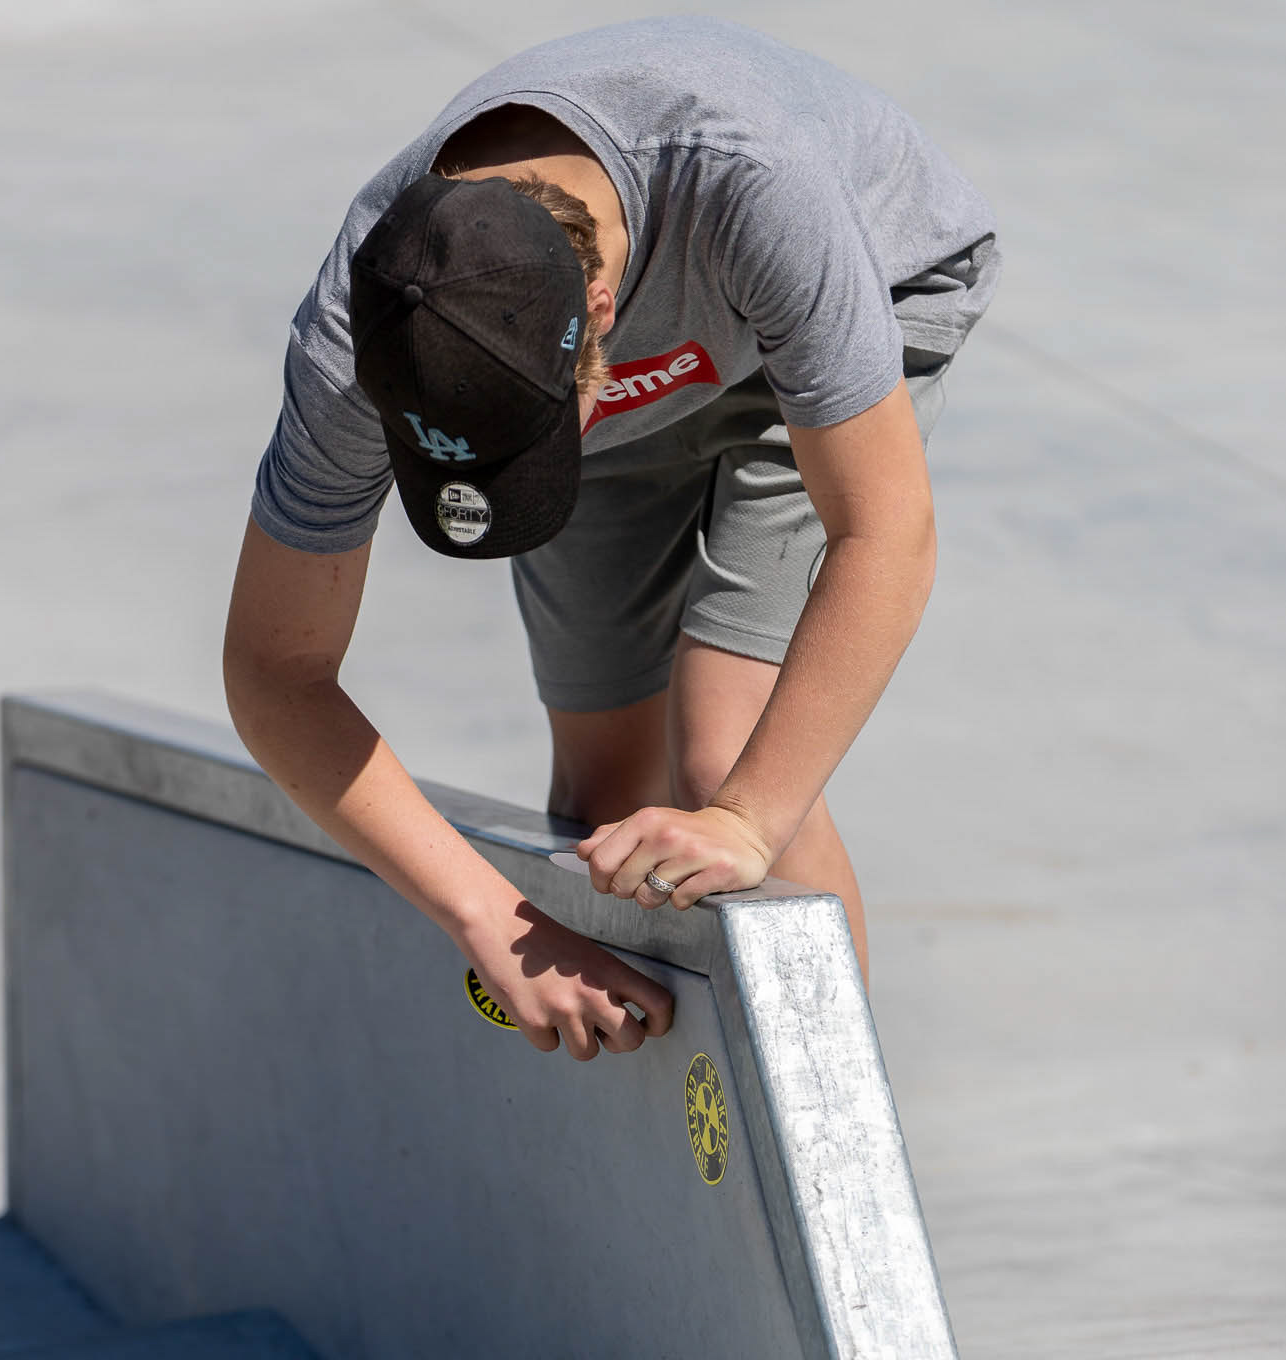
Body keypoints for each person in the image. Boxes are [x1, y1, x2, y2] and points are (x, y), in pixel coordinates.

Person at [223, 16, 999, 1060]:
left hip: (860, 298)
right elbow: (275, 668)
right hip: (624, 377)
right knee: (603, 816)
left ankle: (833, 1132)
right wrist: (490, 919)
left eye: (533, 449)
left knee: (723, 760)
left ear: (600, 312)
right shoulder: (353, 338)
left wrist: (747, 822)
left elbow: (885, 532)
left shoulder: (756, 186)